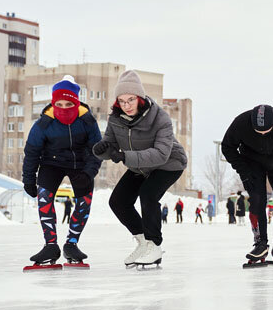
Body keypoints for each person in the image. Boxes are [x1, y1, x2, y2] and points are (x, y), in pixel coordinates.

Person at [93, 70, 187, 268]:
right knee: (118, 201)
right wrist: (101, 151)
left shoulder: (160, 118)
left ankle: (154, 245)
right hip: (140, 166)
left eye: (131, 100)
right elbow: (110, 145)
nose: (126, 106)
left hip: (169, 163)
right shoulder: (116, 119)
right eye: (122, 101)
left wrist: (125, 156)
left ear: (140, 98)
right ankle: (144, 243)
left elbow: (161, 153)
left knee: (148, 193)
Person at [22, 75, 102, 267]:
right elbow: (32, 152)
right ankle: (50, 246)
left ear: (76, 103)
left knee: (84, 201)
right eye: (59, 104)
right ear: (53, 103)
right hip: (52, 163)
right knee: (44, 197)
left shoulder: (87, 121)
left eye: (68, 104)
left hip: (81, 164)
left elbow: (97, 150)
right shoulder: (44, 124)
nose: (64, 108)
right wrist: (29, 180)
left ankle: (71, 244)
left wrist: (89, 173)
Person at [221, 104, 273, 263]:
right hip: (251, 162)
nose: (263, 134)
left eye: (266, 131)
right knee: (257, 200)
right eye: (258, 132)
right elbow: (227, 147)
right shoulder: (240, 123)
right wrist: (244, 172)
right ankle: (260, 244)